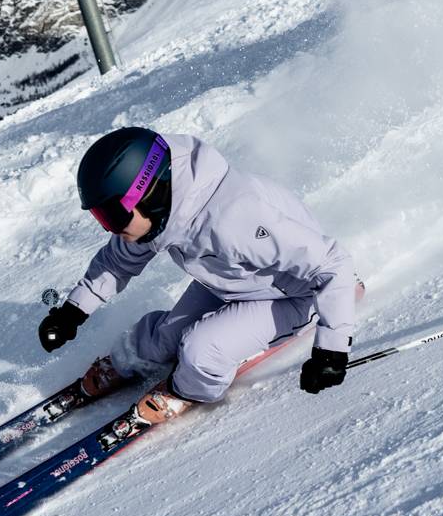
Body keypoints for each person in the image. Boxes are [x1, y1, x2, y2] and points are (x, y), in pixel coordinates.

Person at [38, 127, 358, 427]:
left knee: (202, 349)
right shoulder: (165, 215)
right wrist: (71, 312)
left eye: (114, 215)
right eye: (102, 217)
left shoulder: (235, 217)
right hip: (233, 281)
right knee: (162, 337)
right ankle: (126, 361)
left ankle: (187, 390)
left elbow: (332, 265)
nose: (110, 227)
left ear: (149, 194)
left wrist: (330, 351)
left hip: (294, 295)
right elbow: (116, 262)